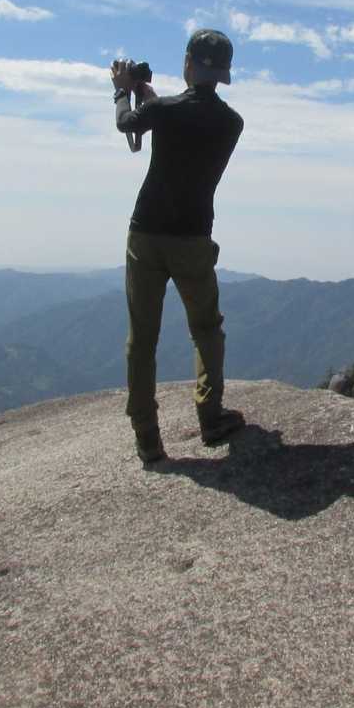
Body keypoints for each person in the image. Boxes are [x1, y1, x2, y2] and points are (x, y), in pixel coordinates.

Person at [111, 29, 246, 465]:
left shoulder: (163, 111)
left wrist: (122, 91)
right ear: (222, 74)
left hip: (146, 234)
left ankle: (147, 438)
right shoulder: (231, 123)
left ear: (188, 62)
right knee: (206, 328)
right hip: (193, 237)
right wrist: (148, 95)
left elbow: (128, 123)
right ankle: (211, 416)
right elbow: (182, 117)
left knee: (142, 339)